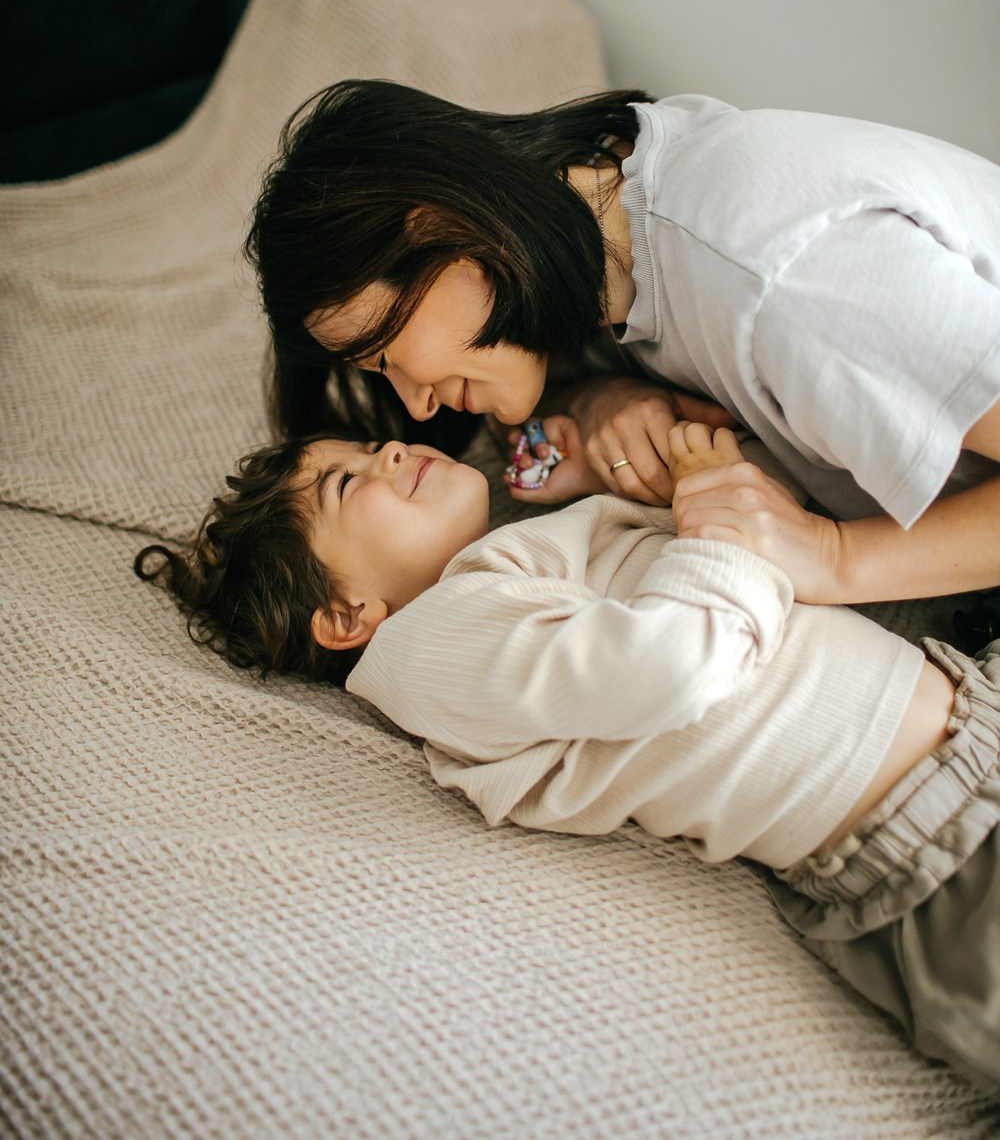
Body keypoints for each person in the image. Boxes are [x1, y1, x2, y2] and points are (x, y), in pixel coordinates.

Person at [136, 419, 1000, 1092]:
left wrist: (650, 482)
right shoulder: (434, 644)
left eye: (370, 444)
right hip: (939, 845)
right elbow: (676, 662)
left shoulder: (496, 572)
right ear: (349, 616)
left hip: (963, 730)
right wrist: (710, 516)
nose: (391, 448)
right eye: (347, 479)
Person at [244, 81, 1000, 610]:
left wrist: (835, 558)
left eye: (382, 353)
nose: (409, 399)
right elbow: (523, 421)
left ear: (439, 228)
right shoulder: (599, 202)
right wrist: (595, 396)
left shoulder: (781, 281)